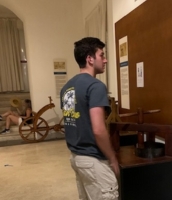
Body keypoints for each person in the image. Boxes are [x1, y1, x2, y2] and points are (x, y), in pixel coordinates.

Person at [62, 37, 118, 199]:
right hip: (93, 160)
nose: (105, 60)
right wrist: (112, 157)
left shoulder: (67, 87)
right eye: (102, 55)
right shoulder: (95, 86)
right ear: (90, 59)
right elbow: (99, 129)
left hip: (76, 158)